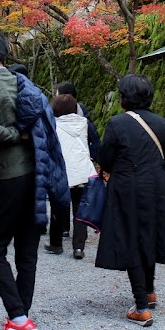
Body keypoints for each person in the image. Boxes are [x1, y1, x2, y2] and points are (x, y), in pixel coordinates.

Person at [0, 32, 70, 330]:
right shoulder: (23, 83)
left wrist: (16, 134)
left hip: (10, 175)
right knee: (26, 252)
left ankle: (17, 319)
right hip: (36, 173)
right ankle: (20, 321)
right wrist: (26, 134)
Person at [94, 74, 165, 328]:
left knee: (131, 238)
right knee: (149, 235)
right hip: (157, 186)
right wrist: (156, 170)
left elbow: (105, 157)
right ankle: (150, 292)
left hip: (128, 186)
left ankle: (141, 306)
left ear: (125, 98)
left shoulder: (117, 123)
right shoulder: (160, 122)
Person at [45, 94, 95, 259]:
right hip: (81, 171)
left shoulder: (52, 126)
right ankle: (78, 247)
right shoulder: (86, 124)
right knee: (80, 209)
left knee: (58, 206)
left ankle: (56, 243)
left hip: (60, 171)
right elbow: (96, 145)